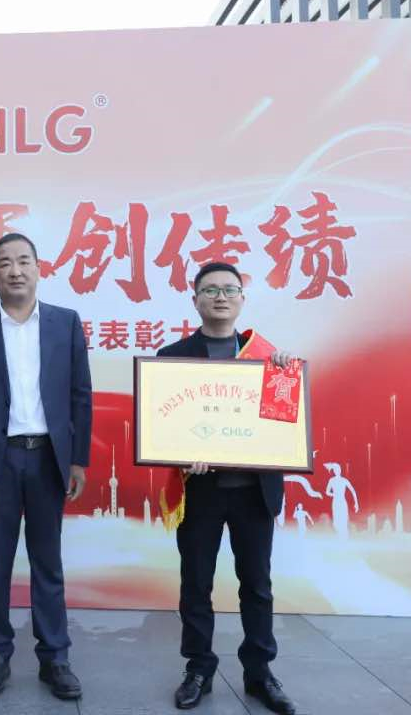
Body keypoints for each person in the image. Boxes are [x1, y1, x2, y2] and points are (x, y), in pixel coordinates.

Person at [0, 232, 92, 700]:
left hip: (49, 458)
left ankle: (55, 658)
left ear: (39, 268)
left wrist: (77, 460)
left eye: (23, 261)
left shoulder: (65, 323)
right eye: (4, 263)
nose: (15, 271)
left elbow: (80, 394)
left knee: (47, 563)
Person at [157, 262, 297, 715]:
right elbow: (163, 426)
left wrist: (285, 378)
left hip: (254, 491)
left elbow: (281, 426)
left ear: (242, 298)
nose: (220, 297)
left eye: (229, 289)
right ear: (195, 299)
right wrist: (182, 454)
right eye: (210, 290)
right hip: (201, 491)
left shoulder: (270, 357)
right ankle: (198, 669)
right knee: (196, 585)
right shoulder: (172, 356)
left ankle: (259, 672)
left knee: (256, 585)